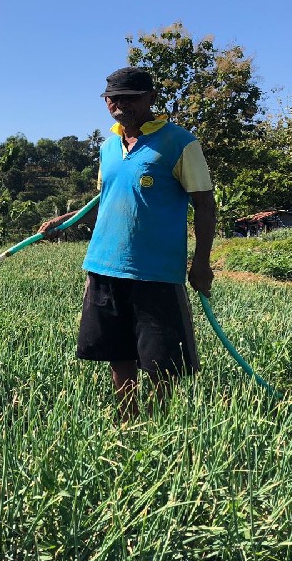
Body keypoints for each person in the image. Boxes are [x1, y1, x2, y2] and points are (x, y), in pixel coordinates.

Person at [38, 66, 216, 421]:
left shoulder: (179, 143)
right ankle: (127, 419)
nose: (120, 106)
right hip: (104, 264)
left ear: (150, 98)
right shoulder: (107, 147)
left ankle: (157, 419)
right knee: (117, 351)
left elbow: (205, 204)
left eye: (130, 99)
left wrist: (201, 263)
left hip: (156, 271)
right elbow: (104, 200)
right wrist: (64, 221)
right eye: (113, 99)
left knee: (163, 358)